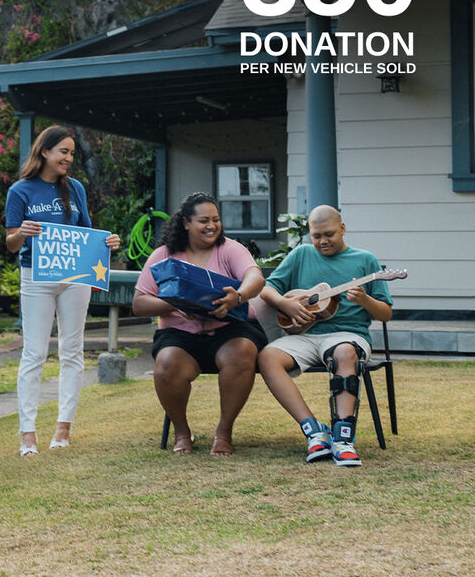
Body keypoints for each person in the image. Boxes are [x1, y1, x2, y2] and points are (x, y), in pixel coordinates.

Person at [4, 126, 120, 456]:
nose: (69, 158)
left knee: (72, 350)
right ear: (45, 152)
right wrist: (22, 232)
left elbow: (87, 235)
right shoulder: (20, 191)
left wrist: (107, 241)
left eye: (71, 153)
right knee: (34, 353)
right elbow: (11, 244)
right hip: (36, 276)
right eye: (63, 152)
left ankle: (63, 428)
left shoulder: (76, 189)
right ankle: (27, 433)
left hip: (76, 277)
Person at [257, 205, 393, 467]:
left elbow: (386, 313)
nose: (322, 241)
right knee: (267, 357)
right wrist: (286, 305)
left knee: (344, 352)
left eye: (329, 234)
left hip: (349, 334)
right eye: (316, 236)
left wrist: (365, 300)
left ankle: (343, 438)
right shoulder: (301, 254)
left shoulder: (366, 260)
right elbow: (268, 289)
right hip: (306, 335)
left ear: (342, 228)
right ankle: (314, 431)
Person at [132, 192, 267, 456]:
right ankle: (182, 432)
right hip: (180, 335)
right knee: (167, 362)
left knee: (242, 351)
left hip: (228, 329)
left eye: (216, 220)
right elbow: (139, 303)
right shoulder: (164, 255)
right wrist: (176, 303)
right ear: (185, 223)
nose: (212, 226)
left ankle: (224, 431)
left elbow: (255, 277)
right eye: (203, 220)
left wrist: (237, 296)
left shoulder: (229, 249)